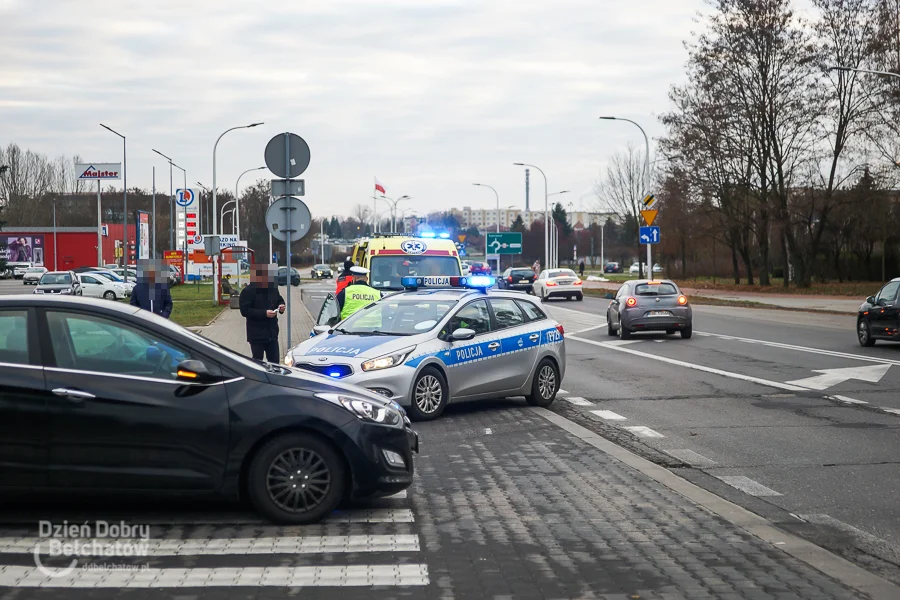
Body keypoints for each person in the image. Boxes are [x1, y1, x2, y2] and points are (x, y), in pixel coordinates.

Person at [240, 264, 286, 362]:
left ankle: (274, 377)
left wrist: (281, 306)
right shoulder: (248, 291)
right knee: (258, 363)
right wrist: (264, 313)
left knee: (275, 364)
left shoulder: (272, 288)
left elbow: (279, 299)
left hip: (272, 333)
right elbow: (244, 310)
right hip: (256, 334)